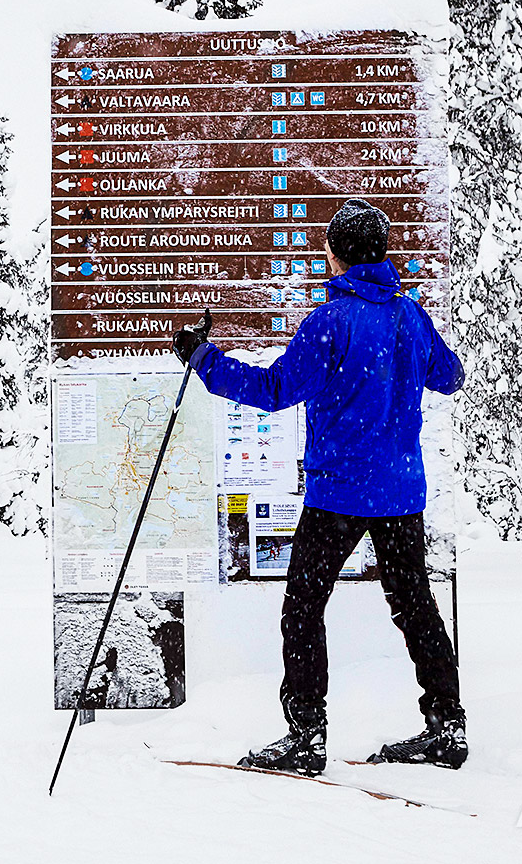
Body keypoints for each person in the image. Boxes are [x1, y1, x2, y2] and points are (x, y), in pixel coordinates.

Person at [171, 199, 467, 775]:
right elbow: (450, 377)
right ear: (381, 254)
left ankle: (307, 735)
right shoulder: (411, 318)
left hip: (338, 495)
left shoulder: (330, 323)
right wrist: (409, 355)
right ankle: (446, 727)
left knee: (304, 607)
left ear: (335, 255)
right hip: (400, 494)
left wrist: (203, 359)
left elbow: (276, 389)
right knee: (415, 605)